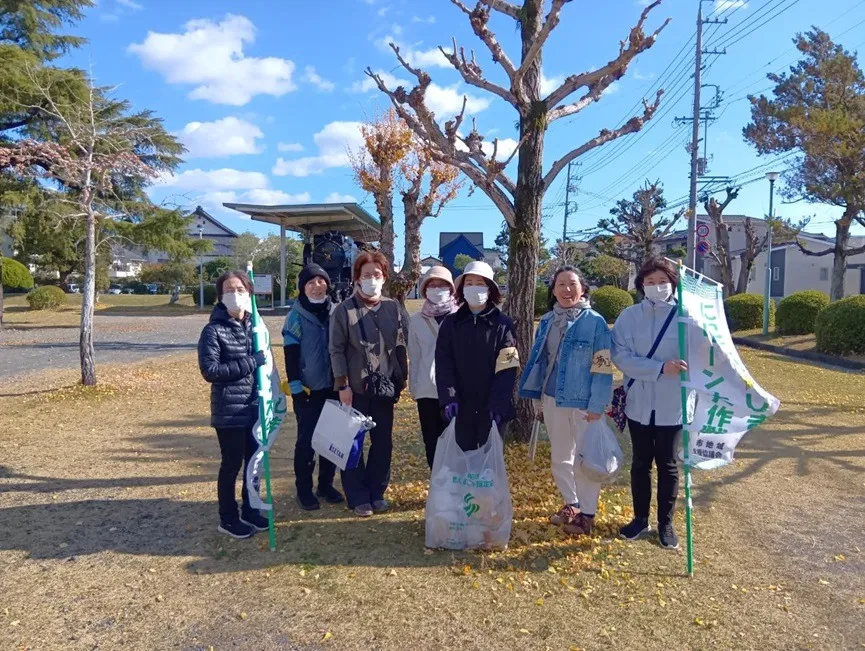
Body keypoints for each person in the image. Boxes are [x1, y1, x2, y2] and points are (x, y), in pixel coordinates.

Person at [517, 266, 613, 537]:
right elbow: (541, 362)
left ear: (583, 288)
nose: (567, 290)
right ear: (553, 290)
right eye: (561, 284)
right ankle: (572, 503)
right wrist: (536, 398)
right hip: (552, 398)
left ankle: (588, 513)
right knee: (561, 458)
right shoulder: (547, 320)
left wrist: (597, 404)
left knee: (585, 460)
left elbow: (603, 365)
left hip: (583, 403)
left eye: (572, 284)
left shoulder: (595, 321)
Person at [611, 257, 686, 550]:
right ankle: (640, 519)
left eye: (662, 282)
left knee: (668, 464)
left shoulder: (687, 316)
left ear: (673, 284)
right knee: (641, 463)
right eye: (650, 282)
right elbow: (620, 356)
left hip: (673, 403)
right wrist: (658, 368)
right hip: (639, 402)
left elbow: (703, 353)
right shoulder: (629, 316)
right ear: (641, 285)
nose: (657, 287)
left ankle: (666, 524)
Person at [329, 250, 409, 517]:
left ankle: (377, 491)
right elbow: (336, 350)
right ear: (357, 278)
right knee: (353, 443)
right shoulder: (344, 310)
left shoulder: (392, 307)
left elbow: (400, 343)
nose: (372, 280)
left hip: (385, 387)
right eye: (366, 275)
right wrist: (342, 385)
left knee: (383, 442)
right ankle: (357, 495)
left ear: (384, 276)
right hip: (356, 388)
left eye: (377, 275)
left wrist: (401, 379)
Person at [197, 270, 270, 540]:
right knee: (231, 465)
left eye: (240, 290)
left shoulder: (255, 327)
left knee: (255, 462)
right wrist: (252, 361)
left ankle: (251, 508)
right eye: (229, 290)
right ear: (220, 296)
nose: (235, 295)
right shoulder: (213, 331)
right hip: (230, 411)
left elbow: (266, 361)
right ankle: (228, 517)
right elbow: (211, 371)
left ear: (250, 294)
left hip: (255, 406)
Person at [435, 260, 518, 452]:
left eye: (480, 283)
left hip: (492, 407)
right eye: (469, 283)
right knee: (462, 465)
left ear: (489, 289)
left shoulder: (503, 324)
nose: (474, 288)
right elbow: (443, 364)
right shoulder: (450, 323)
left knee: (489, 467)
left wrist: (498, 405)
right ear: (462, 288)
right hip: (460, 406)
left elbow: (508, 368)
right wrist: (449, 399)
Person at [282, 264, 344, 511]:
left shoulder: (336, 311)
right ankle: (304, 490)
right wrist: (296, 387)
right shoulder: (295, 315)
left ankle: (326, 485)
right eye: (310, 283)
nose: (317, 287)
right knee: (306, 442)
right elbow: (290, 353)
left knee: (332, 440)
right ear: (302, 287)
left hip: (334, 386)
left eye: (321, 281)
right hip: (307, 390)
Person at [409, 266, 459, 468]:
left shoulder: (460, 317)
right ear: (424, 290)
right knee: (432, 442)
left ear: (450, 288)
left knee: (456, 442)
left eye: (442, 285)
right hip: (427, 391)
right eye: (432, 285)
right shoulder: (416, 321)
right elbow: (414, 355)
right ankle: (439, 488)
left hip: (456, 391)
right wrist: (414, 387)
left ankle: (456, 488)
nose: (437, 289)